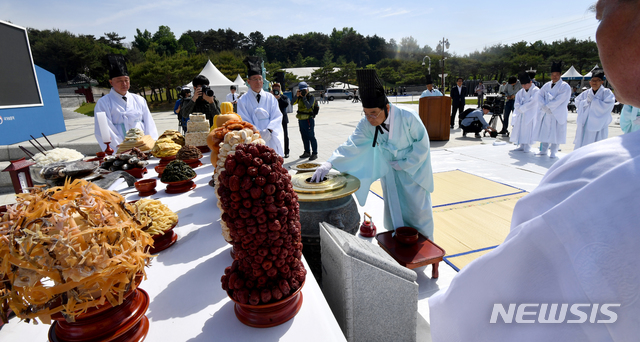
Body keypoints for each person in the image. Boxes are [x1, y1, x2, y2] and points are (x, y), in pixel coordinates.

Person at [430, 2, 640, 340]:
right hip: (537, 116)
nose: (598, 29)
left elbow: (485, 311)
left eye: (601, 13)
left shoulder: (598, 175)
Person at [311, 69, 435, 239]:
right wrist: (330, 162)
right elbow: (352, 143)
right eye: (366, 113)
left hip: (413, 171)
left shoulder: (408, 117)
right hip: (390, 171)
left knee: (417, 211)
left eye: (374, 114)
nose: (370, 118)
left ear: (387, 107)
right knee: (394, 209)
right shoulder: (367, 123)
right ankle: (397, 242)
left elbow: (423, 145)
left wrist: (405, 163)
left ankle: (424, 248)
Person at [94, 54, 158, 151]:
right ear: (111, 82)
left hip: (143, 146)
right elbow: (105, 128)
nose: (124, 84)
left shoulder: (139, 99)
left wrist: (150, 143)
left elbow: (149, 123)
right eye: (120, 81)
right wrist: (122, 147)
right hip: (120, 148)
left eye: (126, 80)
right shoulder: (103, 102)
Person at [237, 56, 284, 156]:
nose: (258, 82)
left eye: (260, 79)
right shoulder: (243, 100)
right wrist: (256, 132)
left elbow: (277, 116)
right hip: (253, 139)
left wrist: (269, 130)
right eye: (254, 79)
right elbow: (244, 119)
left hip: (270, 137)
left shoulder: (270, 97)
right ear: (248, 81)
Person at [532, 61, 571, 158]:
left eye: (557, 75)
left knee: (555, 133)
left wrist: (549, 106)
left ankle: (554, 151)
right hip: (546, 113)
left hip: (556, 113)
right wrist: (544, 106)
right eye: (553, 75)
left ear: (560, 75)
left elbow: (561, 99)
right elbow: (540, 95)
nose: (554, 77)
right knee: (545, 132)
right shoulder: (546, 85)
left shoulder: (565, 86)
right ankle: (543, 150)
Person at [574, 69, 615, 149]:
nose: (594, 82)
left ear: (602, 82)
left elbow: (608, 105)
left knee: (597, 145)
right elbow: (577, 102)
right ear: (590, 82)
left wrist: (594, 101)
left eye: (597, 80)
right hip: (585, 123)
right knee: (584, 145)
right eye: (593, 80)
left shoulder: (607, 93)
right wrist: (586, 102)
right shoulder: (586, 93)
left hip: (599, 124)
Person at [510, 71, 540, 152]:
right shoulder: (520, 92)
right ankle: (521, 145)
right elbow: (516, 102)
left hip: (530, 114)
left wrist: (522, 108)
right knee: (521, 129)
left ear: (530, 82)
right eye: (522, 84)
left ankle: (527, 146)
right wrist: (519, 108)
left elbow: (533, 102)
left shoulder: (536, 90)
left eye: (526, 84)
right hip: (521, 114)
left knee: (528, 130)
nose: (524, 86)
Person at [293, 82, 318, 160]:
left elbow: (308, 106)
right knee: (304, 136)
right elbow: (291, 103)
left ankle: (314, 153)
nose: (303, 91)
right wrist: (296, 96)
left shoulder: (311, 96)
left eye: (304, 90)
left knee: (311, 136)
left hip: (308, 119)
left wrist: (304, 97)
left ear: (307, 89)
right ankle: (307, 152)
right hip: (301, 119)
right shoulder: (299, 97)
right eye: (301, 90)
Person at [272, 82, 290, 158]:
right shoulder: (270, 97)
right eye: (274, 88)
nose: (276, 89)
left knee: (285, 135)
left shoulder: (284, 97)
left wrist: (279, 98)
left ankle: (286, 151)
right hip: (273, 120)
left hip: (283, 119)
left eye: (277, 87)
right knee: (274, 136)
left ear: (280, 89)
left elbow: (286, 104)